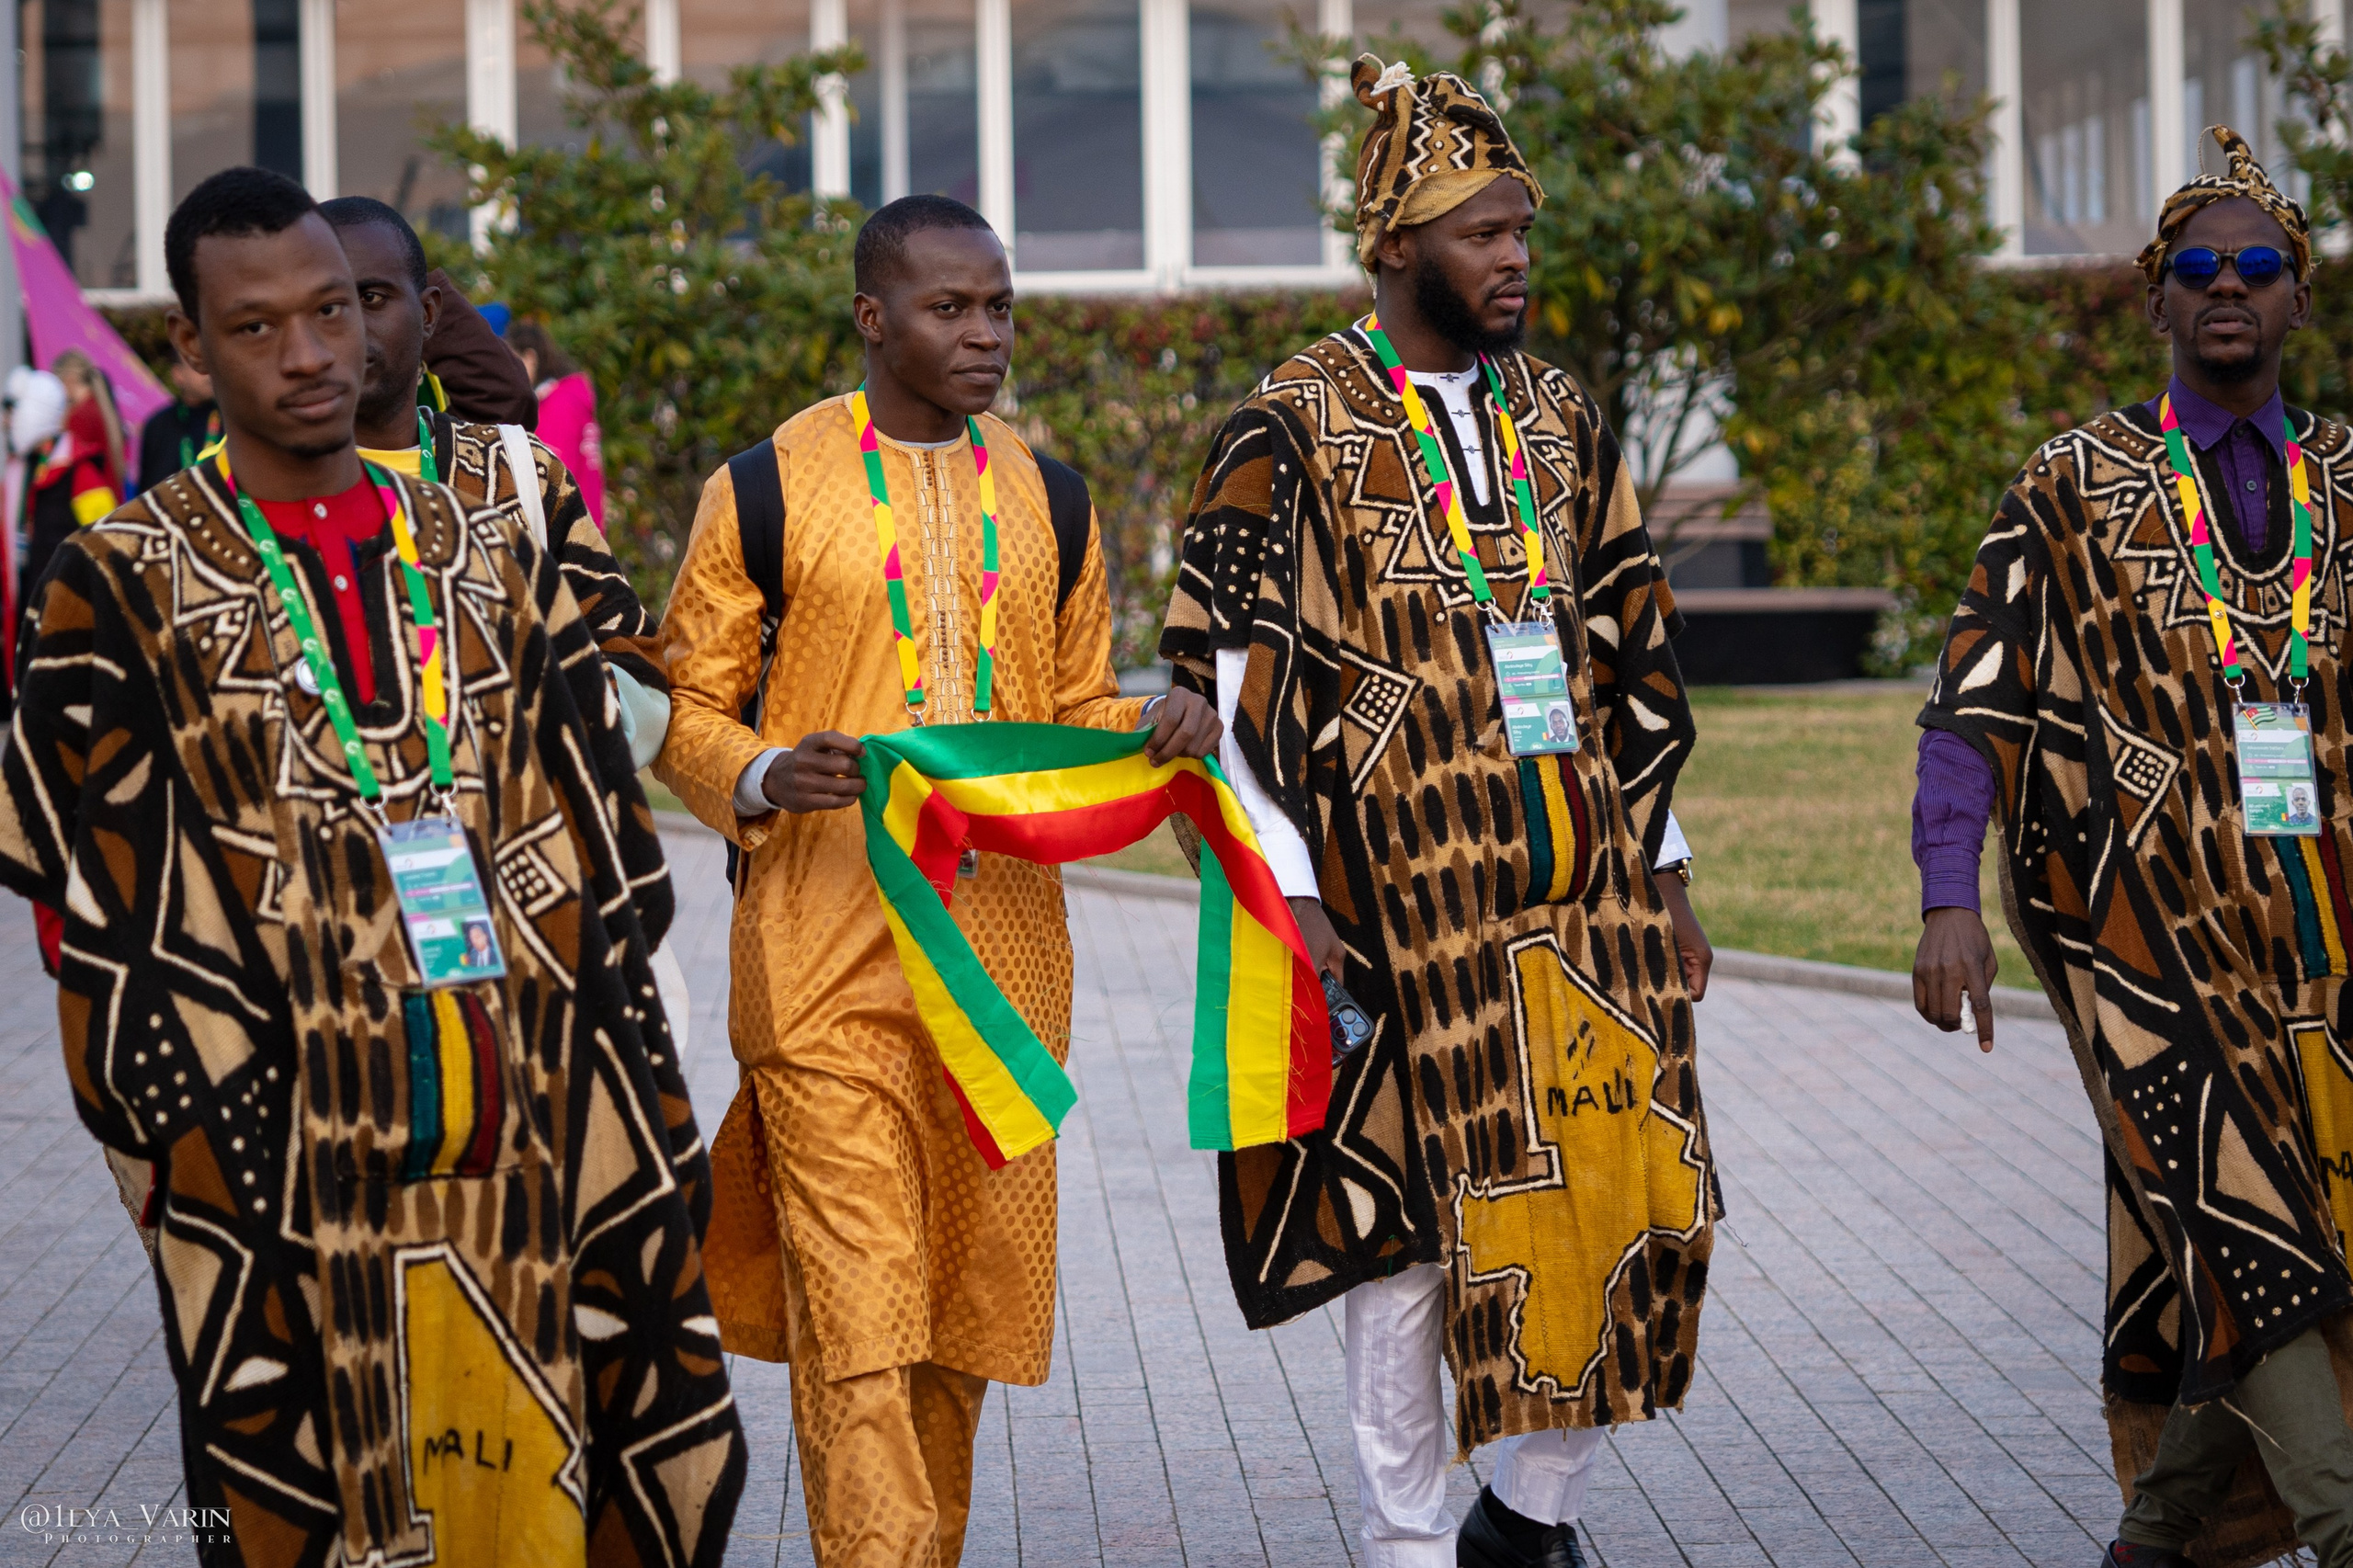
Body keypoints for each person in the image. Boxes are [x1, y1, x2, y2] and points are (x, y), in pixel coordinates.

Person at [0, 165, 745, 1566]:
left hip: (531, 1123)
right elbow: (94, 897)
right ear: (190, 349)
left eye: (334, 312)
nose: (308, 356)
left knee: (565, 1489)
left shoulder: (487, 543)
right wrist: (173, 1151)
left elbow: (601, 845)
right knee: (323, 1505)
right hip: (285, 1158)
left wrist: (633, 1116)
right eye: (259, 326)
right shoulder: (119, 580)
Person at [1159, 57, 1716, 1568]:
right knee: (1402, 1240)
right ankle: (1408, 1539)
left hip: (1586, 891)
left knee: (1631, 1199)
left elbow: (1629, 644)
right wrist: (1304, 905)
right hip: (1391, 910)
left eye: (1523, 228)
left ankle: (1528, 1512)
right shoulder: (1289, 421)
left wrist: (1664, 867)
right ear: (1396, 243)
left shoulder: (1559, 415)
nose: (1515, 256)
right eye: (1483, 229)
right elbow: (1223, 679)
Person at [654, 192, 1222, 1566]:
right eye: (950, 309)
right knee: (857, 1308)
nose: (986, 337)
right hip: (817, 964)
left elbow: (1071, 708)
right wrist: (762, 768)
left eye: (1000, 308)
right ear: (872, 318)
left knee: (957, 1318)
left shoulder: (1053, 497)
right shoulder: (767, 486)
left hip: (1004, 984)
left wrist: (1157, 728)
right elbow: (683, 707)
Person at [1911, 127, 2353, 1568]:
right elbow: (1974, 699)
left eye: (2260, 266)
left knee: (2283, 1258)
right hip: (2157, 965)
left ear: (2300, 296)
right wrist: (1947, 900)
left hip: (2334, 965)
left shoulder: (2349, 486)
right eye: (2200, 268)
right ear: (2156, 298)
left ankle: (2161, 1539)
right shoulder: (2076, 484)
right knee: (2258, 1238)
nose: (2232, 288)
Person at [317, 195, 668, 767]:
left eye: (372, 298)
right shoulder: (245, 493)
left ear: (430, 313)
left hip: (516, 845)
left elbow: (637, 666)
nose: (348, 327)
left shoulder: (518, 471)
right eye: (325, 307)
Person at [508, 317, 607, 527]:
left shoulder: (558, 404)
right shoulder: (571, 397)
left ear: (530, 357)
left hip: (567, 536)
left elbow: (552, 478)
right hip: (585, 528)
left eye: (512, 361)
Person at [134, 353, 218, 494]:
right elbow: (148, 488)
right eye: (198, 366)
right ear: (178, 374)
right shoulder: (159, 425)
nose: (207, 373)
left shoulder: (229, 418)